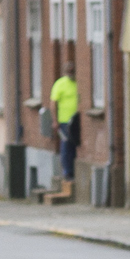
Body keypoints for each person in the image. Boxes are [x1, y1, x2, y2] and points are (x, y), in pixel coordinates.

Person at [48, 62, 81, 202]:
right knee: (66, 146)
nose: (71, 72)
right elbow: (53, 103)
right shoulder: (60, 84)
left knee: (75, 145)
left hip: (76, 121)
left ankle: (73, 171)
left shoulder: (79, 83)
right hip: (64, 122)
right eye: (68, 70)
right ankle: (67, 172)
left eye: (73, 70)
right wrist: (54, 121)